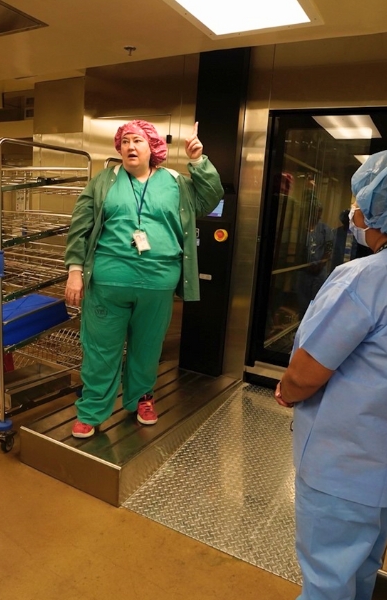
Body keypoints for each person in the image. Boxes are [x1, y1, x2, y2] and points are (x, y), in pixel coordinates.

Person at [274, 149, 387, 600]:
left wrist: (286, 390)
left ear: (384, 209)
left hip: (345, 466)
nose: (353, 212)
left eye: (360, 201)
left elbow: (307, 371)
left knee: (325, 581)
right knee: (360, 570)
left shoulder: (364, 277)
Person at [64, 120, 223, 438]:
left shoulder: (177, 183)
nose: (130, 146)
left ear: (153, 148)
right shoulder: (103, 182)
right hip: (108, 284)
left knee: (147, 348)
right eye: (124, 141)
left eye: (137, 141)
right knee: (100, 349)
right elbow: (80, 226)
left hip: (158, 284)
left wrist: (197, 161)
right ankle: (93, 411)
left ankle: (141, 399)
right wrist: (75, 271)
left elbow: (211, 196)